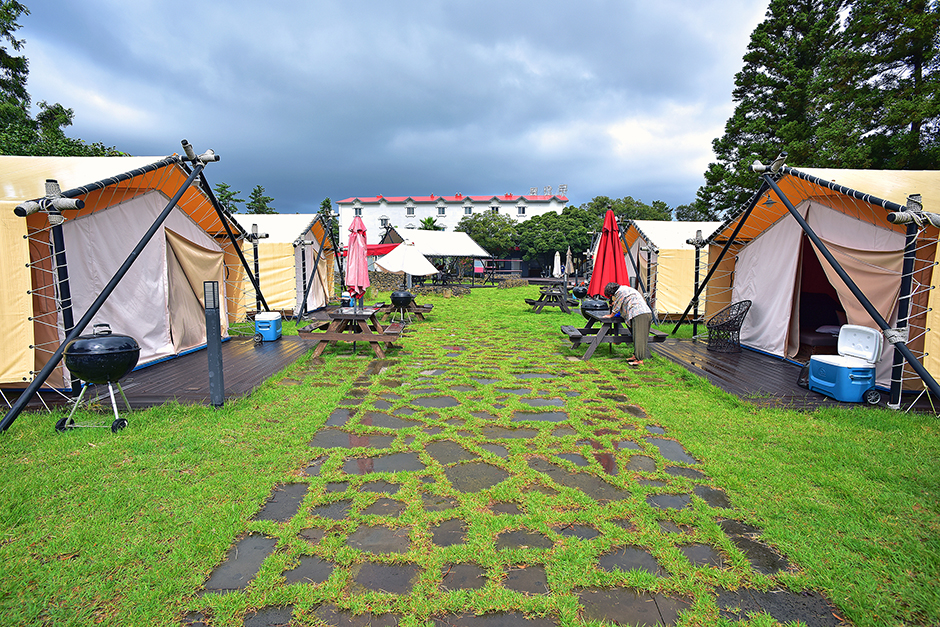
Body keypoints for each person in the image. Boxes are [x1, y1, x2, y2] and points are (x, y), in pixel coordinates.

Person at [602, 281, 652, 365]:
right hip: (640, 313)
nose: (612, 297)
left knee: (639, 337)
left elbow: (618, 306)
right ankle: (636, 356)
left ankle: (639, 360)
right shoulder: (625, 289)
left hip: (640, 313)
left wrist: (611, 315)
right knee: (635, 336)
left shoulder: (620, 292)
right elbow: (625, 301)